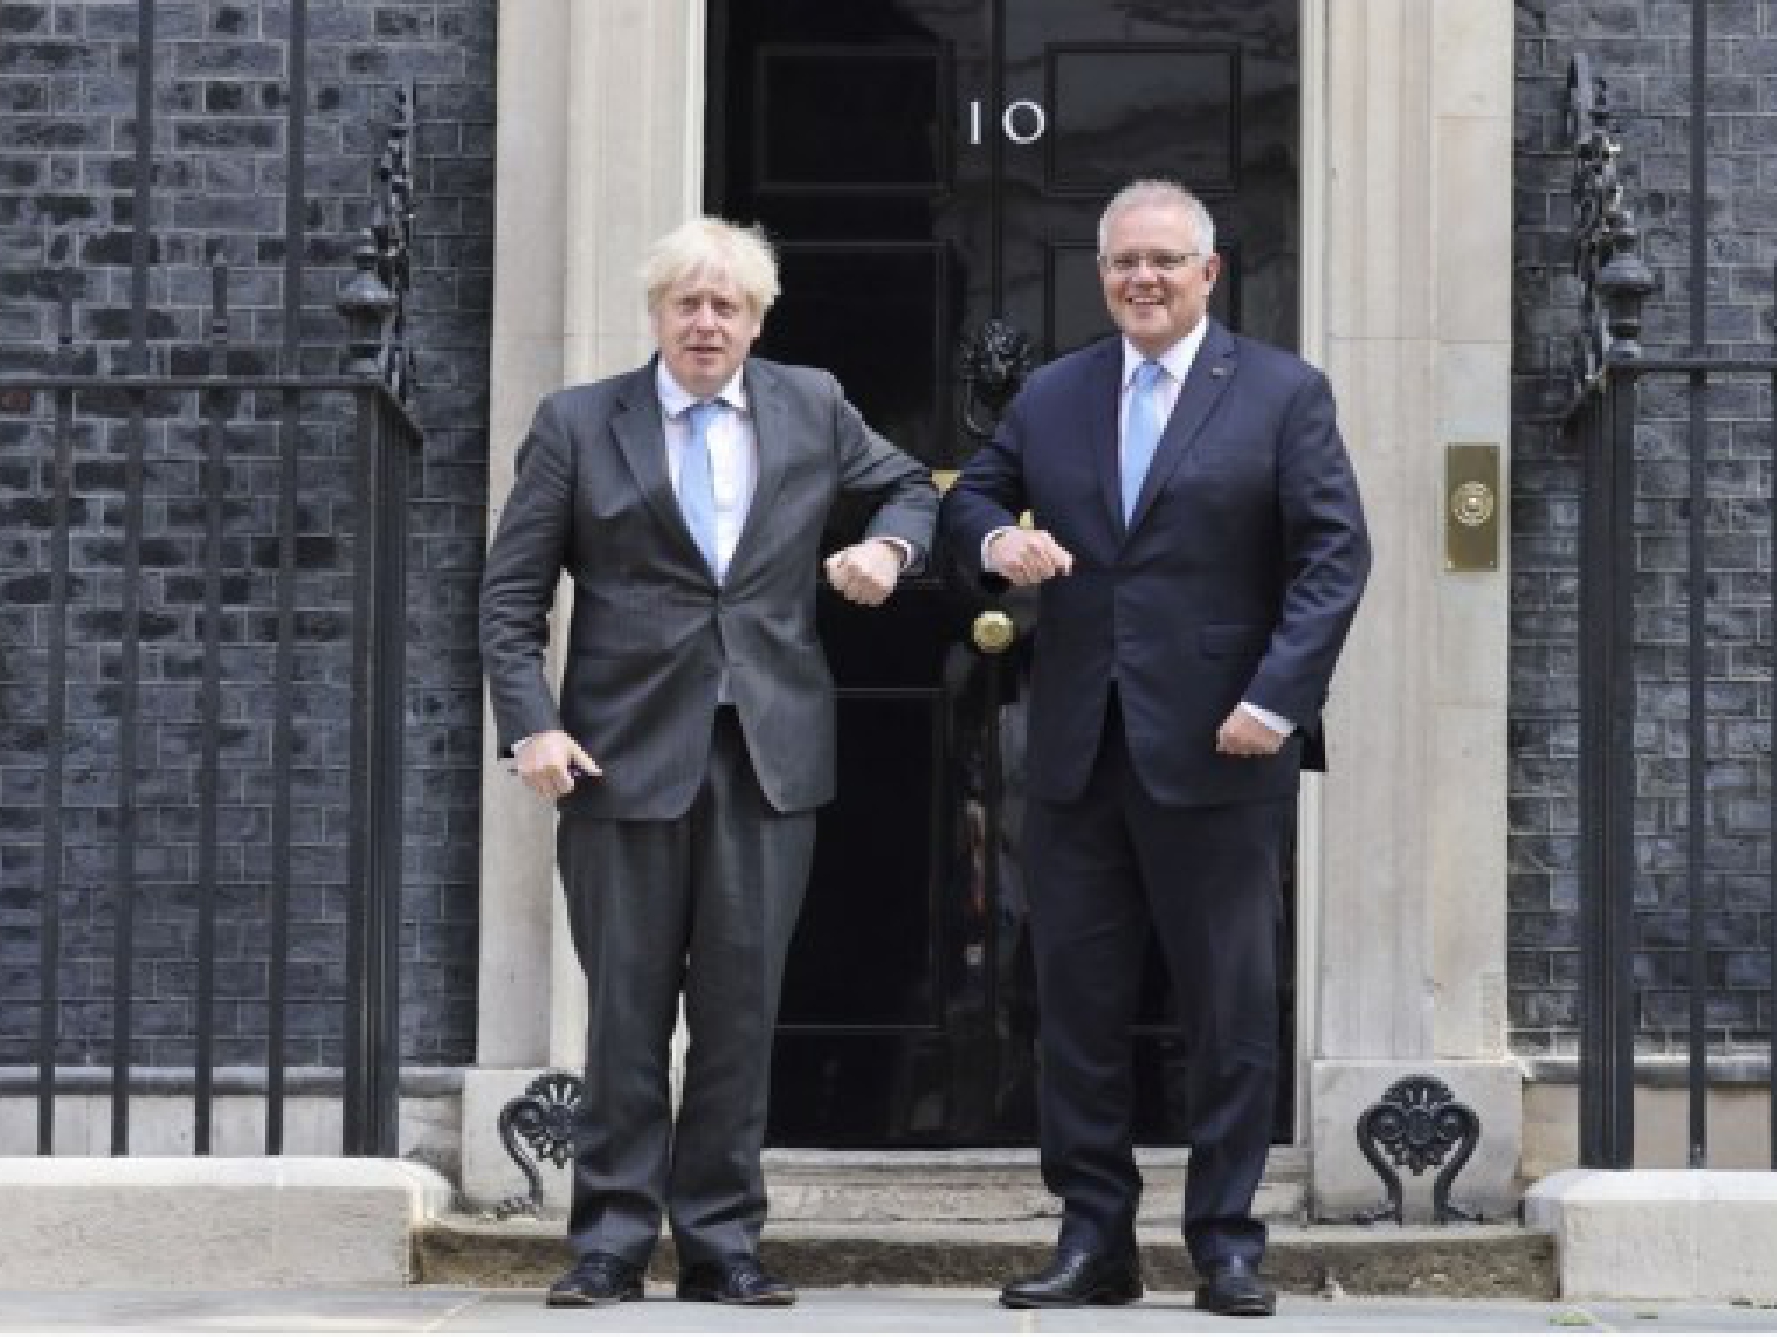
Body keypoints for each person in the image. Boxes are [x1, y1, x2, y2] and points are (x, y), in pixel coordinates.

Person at [479, 217, 938, 1309]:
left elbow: (911, 486)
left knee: (741, 1011)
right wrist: (531, 723)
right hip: (616, 757)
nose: (704, 321)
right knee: (626, 1012)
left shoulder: (810, 404)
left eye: (725, 304)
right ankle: (609, 1240)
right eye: (686, 302)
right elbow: (508, 599)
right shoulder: (580, 423)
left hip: (766, 755)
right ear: (656, 314)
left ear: (757, 319)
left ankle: (723, 1238)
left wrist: (887, 547)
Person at [939, 179, 1370, 1318]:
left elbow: (1332, 557)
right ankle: (1095, 1240)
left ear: (1207, 272)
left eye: (1164, 262)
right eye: (1123, 261)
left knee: (1227, 1010)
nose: (1142, 278)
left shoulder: (1280, 393)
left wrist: (1275, 700)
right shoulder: (1053, 393)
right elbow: (973, 492)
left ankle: (1226, 1242)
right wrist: (992, 538)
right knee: (1073, 1008)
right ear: (1101, 274)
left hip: (1224, 746)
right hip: (1079, 747)